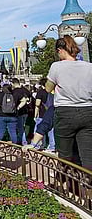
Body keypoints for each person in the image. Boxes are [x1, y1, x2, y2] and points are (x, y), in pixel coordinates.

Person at [46, 35, 92, 170]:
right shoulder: (89, 67)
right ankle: (88, 185)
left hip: (65, 112)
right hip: (87, 110)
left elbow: (48, 88)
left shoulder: (57, 66)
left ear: (60, 50)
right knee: (88, 155)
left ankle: (65, 184)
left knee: (65, 155)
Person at [34, 78, 55, 152]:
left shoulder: (41, 92)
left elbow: (37, 104)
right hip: (52, 113)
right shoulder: (52, 92)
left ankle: (38, 145)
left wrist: (35, 115)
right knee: (51, 131)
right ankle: (52, 146)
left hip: (42, 113)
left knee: (39, 130)